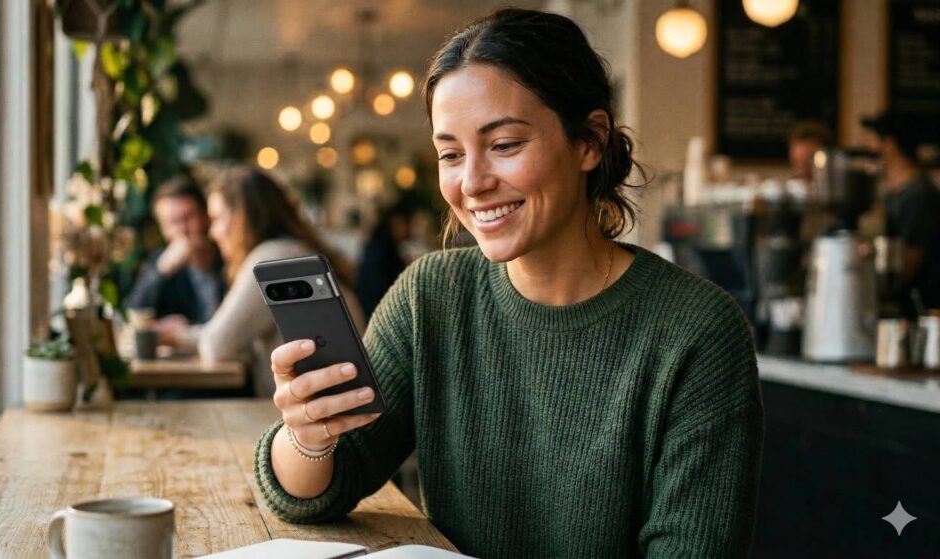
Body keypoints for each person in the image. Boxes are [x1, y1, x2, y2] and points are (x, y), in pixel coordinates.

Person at [255, 9, 763, 558]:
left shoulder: (698, 331)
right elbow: (327, 484)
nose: (471, 182)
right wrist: (308, 436)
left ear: (589, 142)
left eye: (504, 145)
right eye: (450, 154)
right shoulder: (430, 298)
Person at [165, 166, 363, 397]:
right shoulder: (291, 251)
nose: (213, 232)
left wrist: (174, 336)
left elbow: (216, 345)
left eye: (217, 218)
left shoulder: (272, 260)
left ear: (241, 217)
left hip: (322, 419)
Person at [126, 175, 225, 334]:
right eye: (172, 223)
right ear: (162, 229)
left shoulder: (229, 254)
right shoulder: (160, 263)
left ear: (205, 215)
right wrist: (161, 272)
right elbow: (134, 314)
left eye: (188, 218)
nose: (182, 231)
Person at [863, 110, 940, 312]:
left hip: (918, 310)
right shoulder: (893, 193)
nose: (868, 147)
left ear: (889, 145)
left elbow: (909, 262)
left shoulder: (919, 196)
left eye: (872, 140)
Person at [354, 202, 413, 316]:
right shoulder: (380, 249)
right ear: (396, 222)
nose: (409, 229)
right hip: (379, 311)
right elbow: (380, 289)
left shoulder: (385, 245)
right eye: (407, 224)